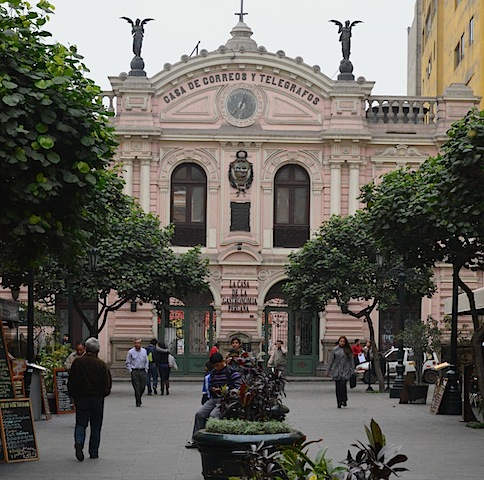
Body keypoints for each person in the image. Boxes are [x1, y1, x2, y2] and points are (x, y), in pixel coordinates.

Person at [68, 337, 112, 461]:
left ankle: (79, 441)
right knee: (96, 425)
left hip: (81, 398)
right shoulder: (101, 365)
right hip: (97, 399)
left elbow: (72, 380)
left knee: (81, 423)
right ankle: (93, 452)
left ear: (86, 349)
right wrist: (103, 393)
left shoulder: (78, 362)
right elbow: (107, 384)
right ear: (98, 350)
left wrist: (73, 394)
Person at [185, 352, 242, 448]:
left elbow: (238, 387)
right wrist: (212, 389)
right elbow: (210, 385)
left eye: (217, 365)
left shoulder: (231, 372)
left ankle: (212, 441)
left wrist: (224, 390)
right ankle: (196, 440)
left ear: (222, 362)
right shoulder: (213, 373)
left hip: (226, 400)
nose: (216, 368)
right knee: (199, 414)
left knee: (213, 415)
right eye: (214, 366)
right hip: (214, 399)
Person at [327, 336, 355, 408]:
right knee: (338, 387)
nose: (342, 343)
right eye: (341, 341)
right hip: (337, 370)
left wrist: (352, 370)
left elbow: (351, 361)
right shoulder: (335, 350)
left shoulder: (348, 350)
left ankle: (344, 399)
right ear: (339, 342)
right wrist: (328, 370)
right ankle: (339, 402)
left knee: (343, 385)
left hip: (345, 369)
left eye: (343, 341)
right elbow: (331, 361)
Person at [126, 337, 149, 407]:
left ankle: (139, 397)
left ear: (140, 344)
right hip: (135, 371)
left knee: (142, 387)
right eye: (136, 343)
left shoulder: (144, 351)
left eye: (138, 343)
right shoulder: (130, 352)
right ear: (134, 344)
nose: (137, 344)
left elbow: (146, 361)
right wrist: (131, 370)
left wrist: (146, 369)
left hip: (142, 370)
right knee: (136, 387)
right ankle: (138, 401)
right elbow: (128, 362)